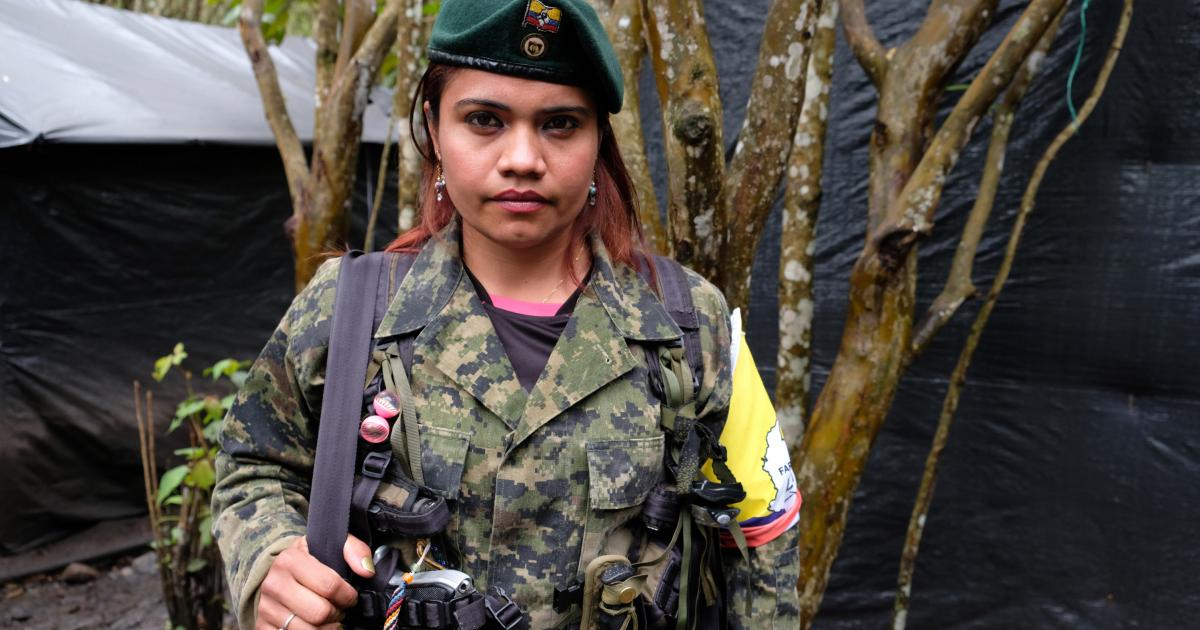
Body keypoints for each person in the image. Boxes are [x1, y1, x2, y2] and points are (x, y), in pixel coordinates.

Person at [212, 1, 800, 628]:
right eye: (485, 119)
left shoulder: (688, 323)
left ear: (599, 137)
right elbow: (254, 467)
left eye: (560, 123)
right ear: (435, 129)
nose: (522, 158)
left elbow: (761, 539)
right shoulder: (351, 309)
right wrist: (270, 559)